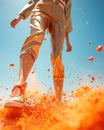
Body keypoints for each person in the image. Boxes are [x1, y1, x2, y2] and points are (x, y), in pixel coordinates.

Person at [4, 0, 72, 108]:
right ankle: (19, 88)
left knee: (57, 57)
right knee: (36, 34)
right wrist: (20, 16)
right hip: (42, 6)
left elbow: (67, 14)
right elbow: (33, 1)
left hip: (60, 15)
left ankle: (59, 102)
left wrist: (67, 40)